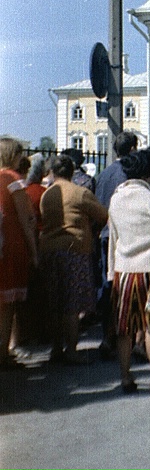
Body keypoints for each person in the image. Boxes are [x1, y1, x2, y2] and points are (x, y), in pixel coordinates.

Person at [108, 148, 150, 392]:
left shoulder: (116, 199)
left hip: (124, 270)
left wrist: (111, 270)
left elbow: (113, 238)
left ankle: (125, 377)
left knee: (124, 328)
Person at [39, 155, 108, 363]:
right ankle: (71, 350)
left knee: (55, 301)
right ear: (71, 172)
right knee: (71, 303)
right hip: (74, 248)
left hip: (49, 249)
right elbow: (103, 215)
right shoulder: (80, 193)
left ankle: (56, 348)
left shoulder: (47, 195)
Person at [95, 130, 139, 358]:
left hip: (104, 233)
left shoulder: (104, 173)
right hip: (122, 235)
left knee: (107, 284)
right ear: (132, 148)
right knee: (126, 287)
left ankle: (107, 336)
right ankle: (124, 335)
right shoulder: (128, 173)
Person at [0, 138, 38, 369]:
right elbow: (26, 220)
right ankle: (3, 355)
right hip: (12, 246)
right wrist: (33, 252)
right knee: (8, 306)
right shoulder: (14, 181)